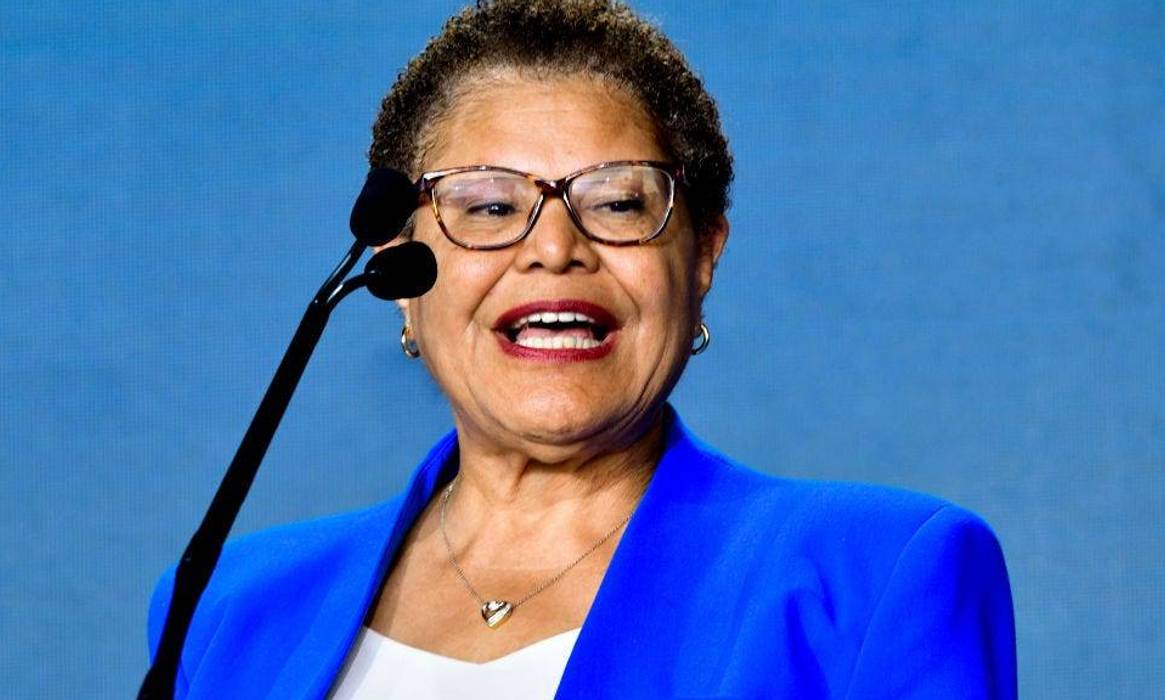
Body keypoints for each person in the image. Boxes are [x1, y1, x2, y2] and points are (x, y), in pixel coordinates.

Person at [147, 1, 1017, 697]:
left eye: (618, 203)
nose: (554, 248)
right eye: (486, 206)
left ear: (703, 254)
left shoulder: (876, 575)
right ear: (399, 276)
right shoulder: (230, 606)